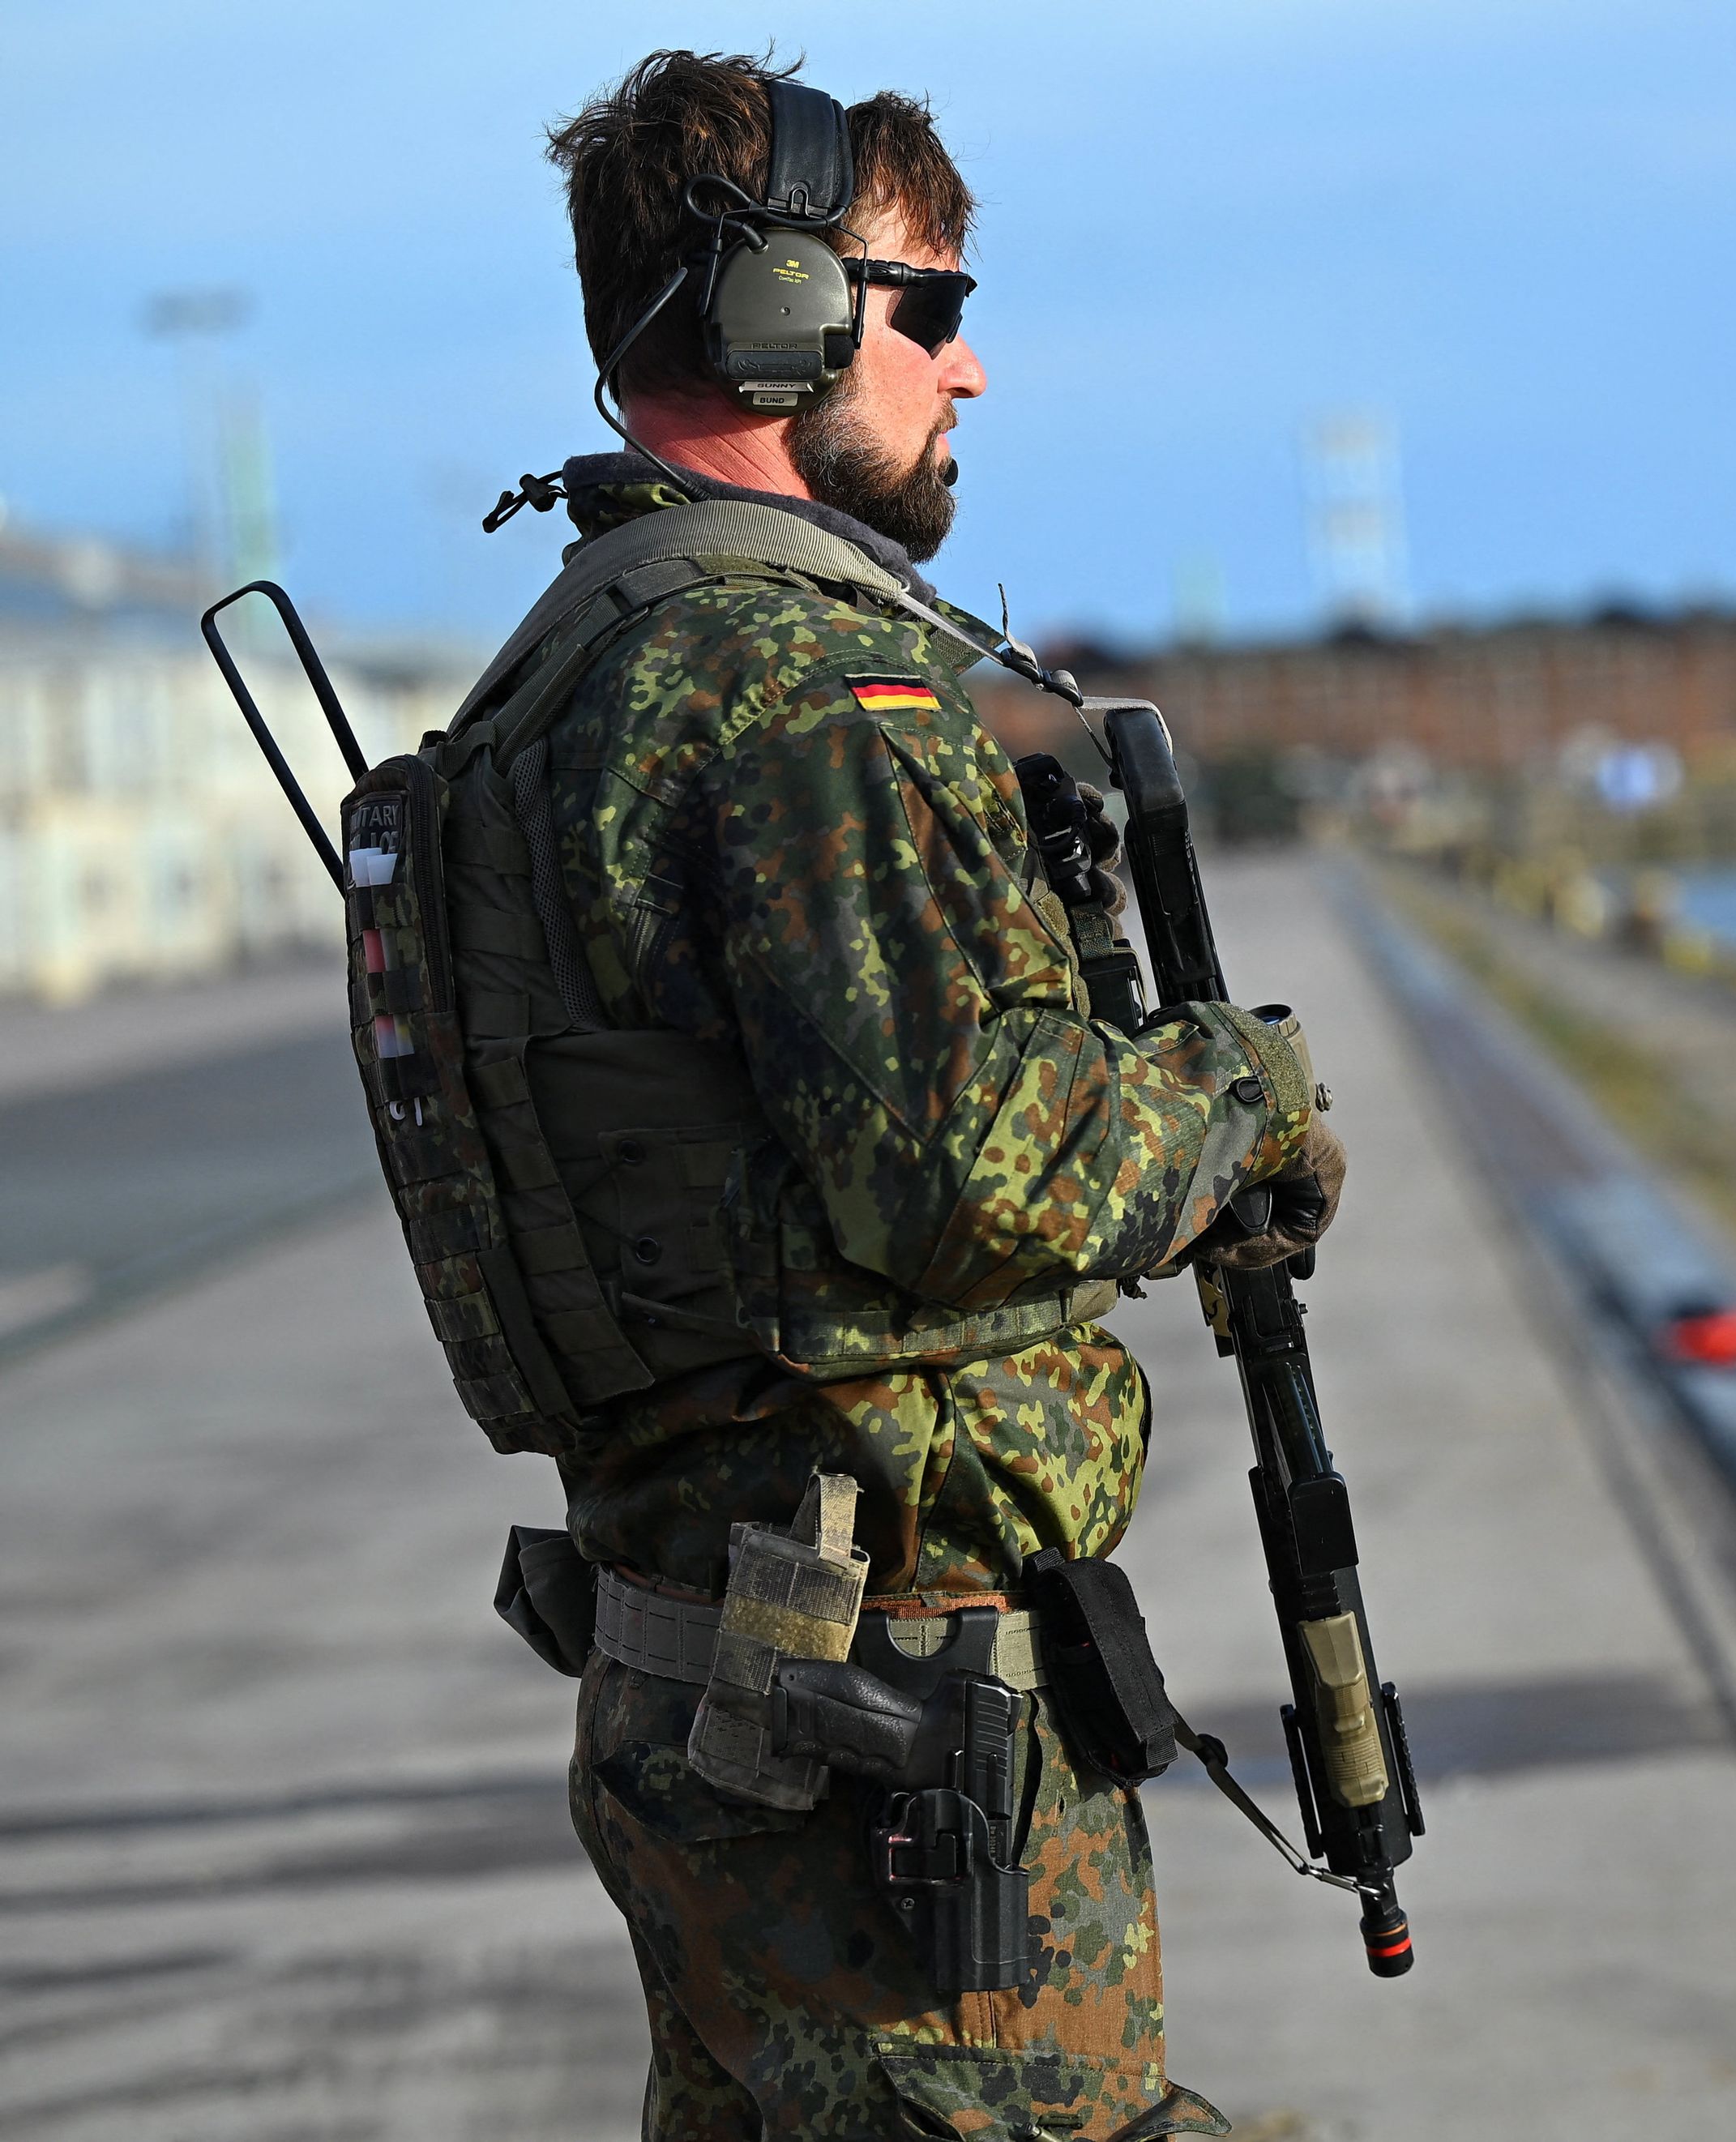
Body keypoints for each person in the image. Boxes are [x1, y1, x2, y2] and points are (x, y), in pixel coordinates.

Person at [483, 49, 1342, 2141]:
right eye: (929, 312)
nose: (967, 375)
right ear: (779, 314)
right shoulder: (803, 689)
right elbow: (977, 1168)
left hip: (709, 1669)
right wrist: (1241, 1092)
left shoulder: (565, 668)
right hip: (893, 1723)